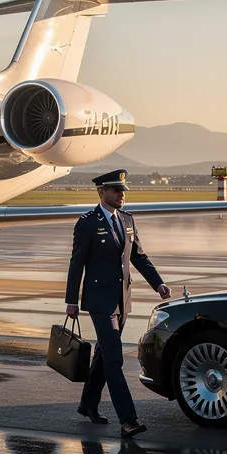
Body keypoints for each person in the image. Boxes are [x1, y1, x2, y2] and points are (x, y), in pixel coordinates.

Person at [65, 169, 171, 437]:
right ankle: (128, 420)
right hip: (99, 301)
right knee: (114, 360)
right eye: (116, 190)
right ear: (101, 192)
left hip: (123, 301)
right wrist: (71, 301)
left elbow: (139, 257)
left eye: (123, 190)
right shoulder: (87, 223)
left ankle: (87, 403)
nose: (121, 195)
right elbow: (76, 263)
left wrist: (157, 283)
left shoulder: (127, 220)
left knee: (104, 356)